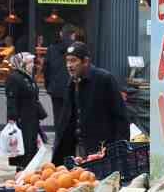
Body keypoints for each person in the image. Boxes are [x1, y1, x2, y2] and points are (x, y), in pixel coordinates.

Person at [54, 42, 130, 176]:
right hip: (79, 149)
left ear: (86, 62)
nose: (69, 65)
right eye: (67, 61)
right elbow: (68, 118)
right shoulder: (72, 83)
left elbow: (121, 116)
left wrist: (119, 150)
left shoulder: (104, 79)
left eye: (73, 61)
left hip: (102, 150)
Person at [3, 51, 46, 171]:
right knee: (23, 146)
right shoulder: (14, 78)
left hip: (32, 118)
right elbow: (11, 100)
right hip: (22, 119)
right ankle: (22, 170)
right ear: (21, 64)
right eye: (29, 62)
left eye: (32, 62)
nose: (32, 65)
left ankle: (29, 169)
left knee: (31, 145)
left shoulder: (27, 76)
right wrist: (13, 120)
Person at [42, 23, 75, 125]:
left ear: (61, 34)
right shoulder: (76, 49)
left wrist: (48, 85)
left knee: (58, 115)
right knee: (71, 116)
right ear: (73, 35)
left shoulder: (52, 48)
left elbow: (46, 69)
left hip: (55, 88)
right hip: (71, 87)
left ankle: (58, 138)